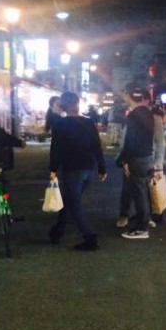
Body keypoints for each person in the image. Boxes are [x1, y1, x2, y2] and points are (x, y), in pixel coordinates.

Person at [48, 91, 107, 251]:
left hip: (72, 169)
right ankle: (57, 232)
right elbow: (96, 146)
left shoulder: (61, 124)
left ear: (63, 105)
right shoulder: (88, 122)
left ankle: (90, 238)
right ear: (77, 104)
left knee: (74, 205)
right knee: (70, 201)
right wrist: (102, 168)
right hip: (89, 168)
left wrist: (53, 169)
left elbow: (56, 149)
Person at [116, 87, 154, 240]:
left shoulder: (133, 115)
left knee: (138, 192)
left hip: (136, 158)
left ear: (131, 98)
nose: (125, 98)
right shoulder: (148, 114)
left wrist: (123, 159)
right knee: (142, 190)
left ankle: (142, 227)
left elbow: (130, 141)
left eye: (126, 96)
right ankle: (143, 220)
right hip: (146, 157)